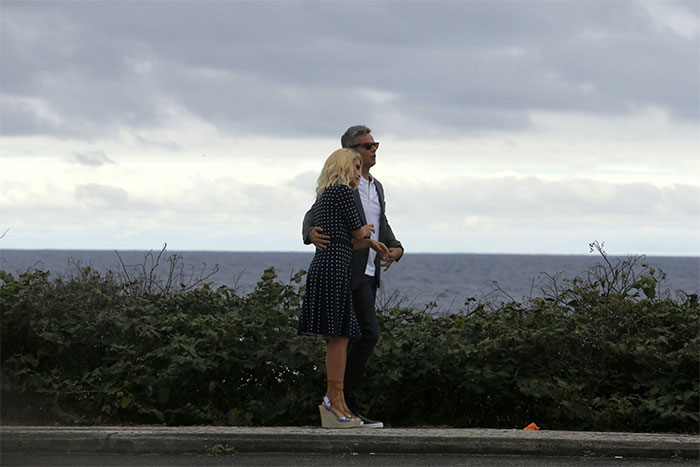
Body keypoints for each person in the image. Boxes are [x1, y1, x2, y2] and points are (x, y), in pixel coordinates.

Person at [302, 125, 403, 429]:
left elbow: (379, 222)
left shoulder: (376, 187)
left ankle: (341, 402)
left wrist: (395, 247)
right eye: (368, 146)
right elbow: (314, 212)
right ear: (351, 152)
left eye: (375, 145)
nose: (374, 150)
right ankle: (342, 403)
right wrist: (309, 233)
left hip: (368, 268)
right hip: (346, 268)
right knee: (355, 334)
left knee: (355, 335)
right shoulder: (344, 187)